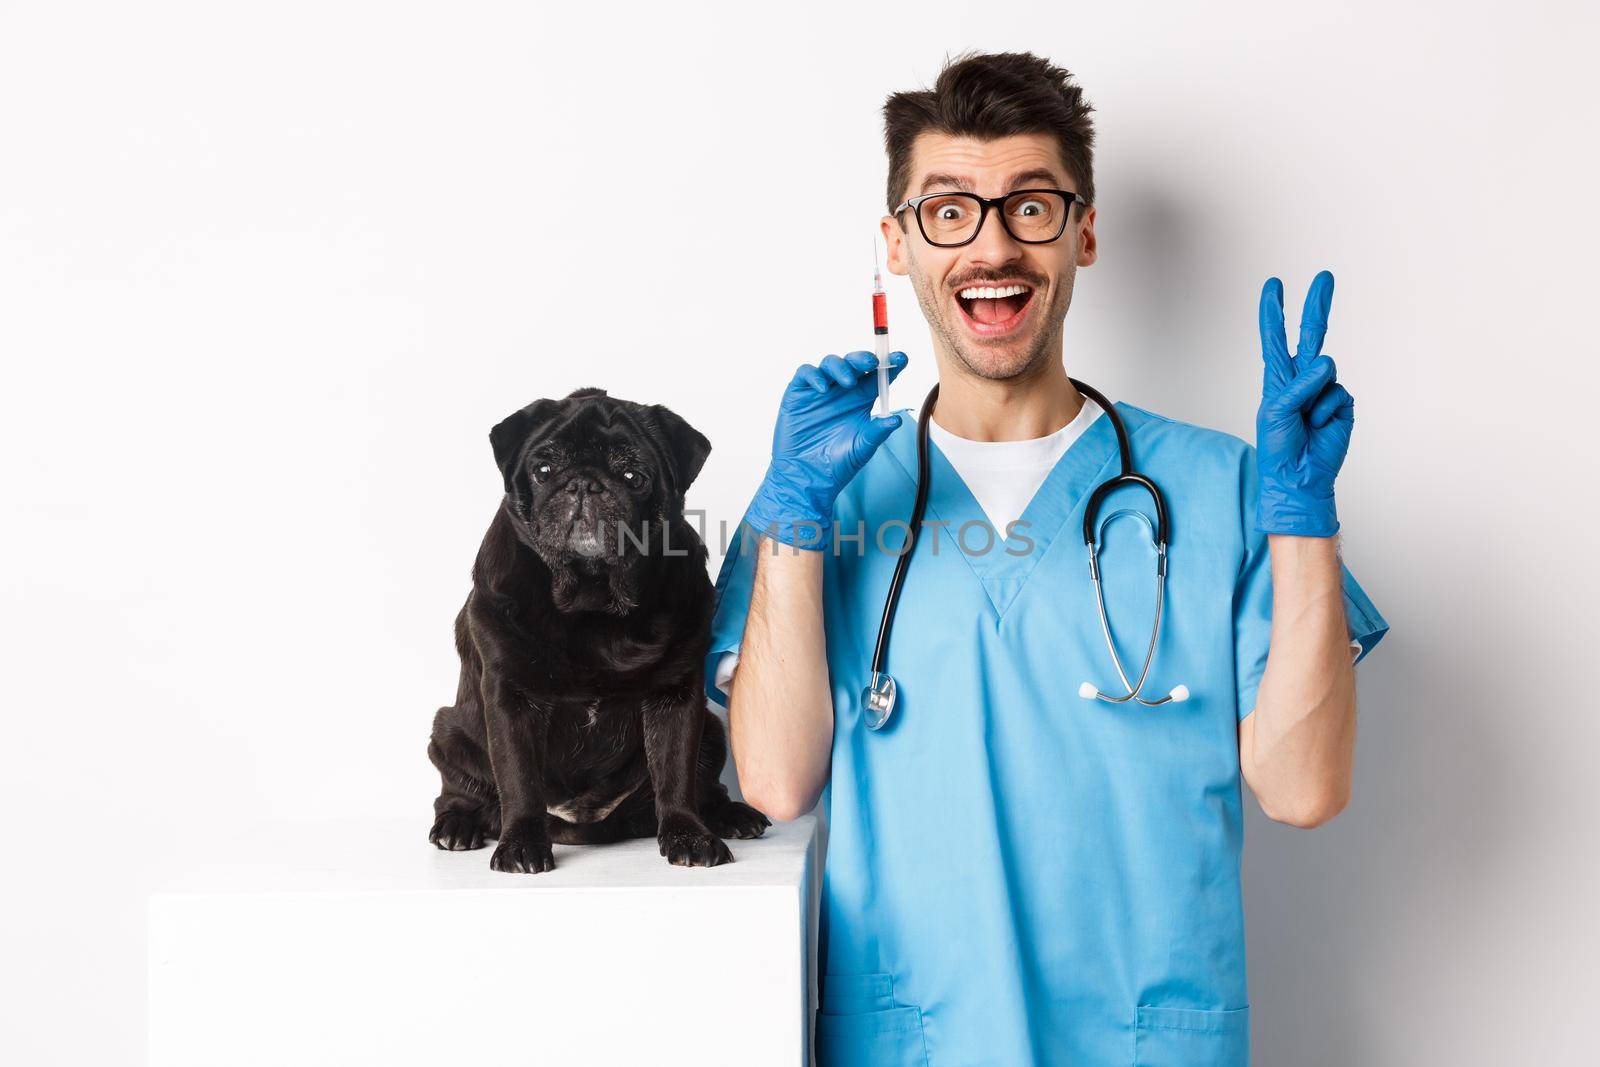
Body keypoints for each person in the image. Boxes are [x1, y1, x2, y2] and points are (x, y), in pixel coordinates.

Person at [706, 51, 1388, 1067]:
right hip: (915, 1041)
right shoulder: (821, 497)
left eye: (1029, 208)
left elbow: (1301, 789)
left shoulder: (1227, 488)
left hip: (1146, 1040)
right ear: (896, 244)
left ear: (1084, 231)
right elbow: (772, 780)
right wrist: (799, 512)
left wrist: (1300, 520)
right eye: (948, 211)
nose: (991, 244)